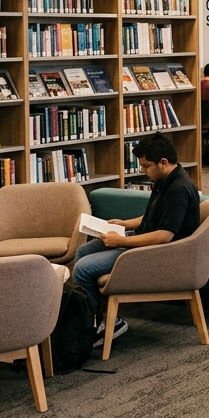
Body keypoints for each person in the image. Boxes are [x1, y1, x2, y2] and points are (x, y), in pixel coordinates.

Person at [74, 133, 201, 344]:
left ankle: (108, 323)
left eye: (146, 166)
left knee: (83, 268)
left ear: (163, 163)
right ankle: (97, 318)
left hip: (160, 255)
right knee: (83, 251)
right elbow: (155, 216)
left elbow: (163, 235)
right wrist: (125, 224)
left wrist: (121, 241)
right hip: (148, 243)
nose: (143, 170)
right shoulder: (166, 180)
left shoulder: (178, 190)